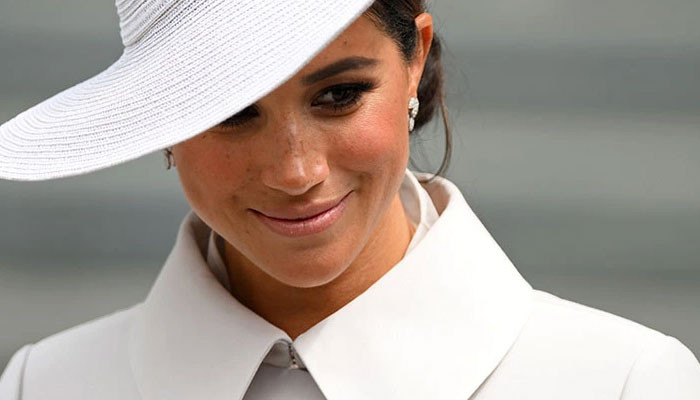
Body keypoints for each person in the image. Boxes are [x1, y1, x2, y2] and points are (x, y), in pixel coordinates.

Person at [0, 0, 699, 399]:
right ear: (163, 123)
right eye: (231, 112)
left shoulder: (624, 385)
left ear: (415, 58)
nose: (296, 171)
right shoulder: (46, 386)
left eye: (339, 95)